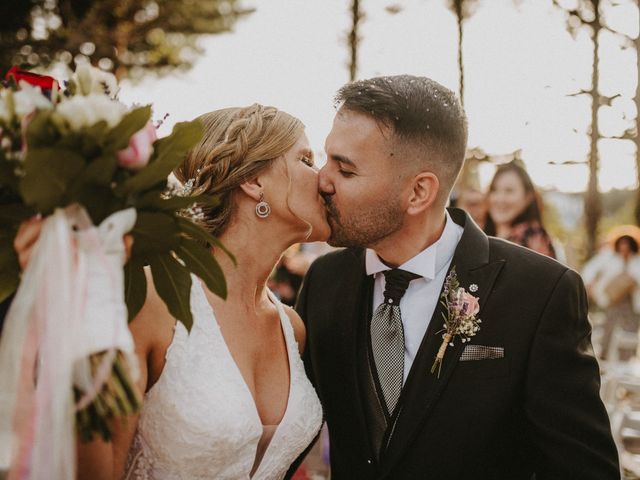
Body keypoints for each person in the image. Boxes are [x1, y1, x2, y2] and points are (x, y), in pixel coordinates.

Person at [294, 75, 619, 479]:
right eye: (326, 160)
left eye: (344, 170)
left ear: (418, 192)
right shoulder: (325, 281)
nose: (322, 180)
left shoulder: (540, 294)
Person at [14, 104, 327, 479]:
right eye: (306, 159)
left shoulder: (292, 328)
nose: (324, 178)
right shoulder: (150, 302)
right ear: (254, 181)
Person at [583, 234, 640, 360]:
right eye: (622, 243)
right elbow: (590, 270)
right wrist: (591, 285)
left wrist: (632, 280)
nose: (624, 247)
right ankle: (603, 358)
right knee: (609, 328)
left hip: (631, 302)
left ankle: (627, 360)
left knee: (630, 331)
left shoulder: (637, 260)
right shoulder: (609, 258)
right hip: (613, 301)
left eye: (627, 244)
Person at [483, 161, 557, 259]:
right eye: (494, 190)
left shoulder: (533, 236)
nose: (499, 198)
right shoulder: (483, 235)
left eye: (509, 190)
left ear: (528, 197)